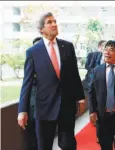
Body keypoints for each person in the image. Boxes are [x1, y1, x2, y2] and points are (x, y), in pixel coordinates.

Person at [17, 12, 85, 150]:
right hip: (44, 108)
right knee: (44, 146)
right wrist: (22, 111)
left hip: (66, 105)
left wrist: (81, 98)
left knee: (68, 145)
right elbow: (27, 82)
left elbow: (74, 74)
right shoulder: (33, 52)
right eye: (49, 22)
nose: (54, 24)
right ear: (41, 29)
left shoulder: (67, 47)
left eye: (55, 21)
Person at [22, 37, 42, 150]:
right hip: (32, 106)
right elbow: (26, 84)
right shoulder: (30, 61)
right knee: (31, 137)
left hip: (47, 110)